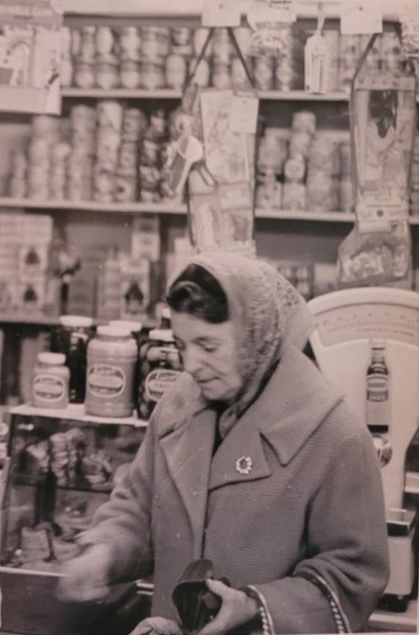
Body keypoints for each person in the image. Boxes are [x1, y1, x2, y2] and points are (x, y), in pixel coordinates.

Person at [58, 252, 389, 635]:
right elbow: (138, 507)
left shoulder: (336, 432)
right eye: (183, 346)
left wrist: (254, 606)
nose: (191, 365)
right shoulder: (176, 406)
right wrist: (103, 554)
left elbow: (353, 576)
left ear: (256, 334)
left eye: (209, 345)